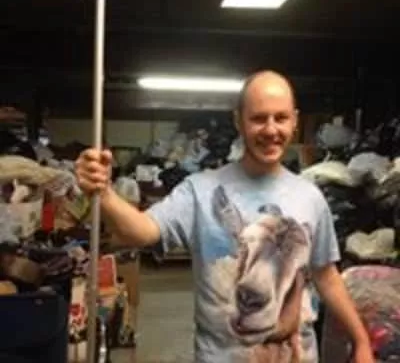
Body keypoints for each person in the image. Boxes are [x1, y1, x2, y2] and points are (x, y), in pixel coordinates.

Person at [75, 71, 374, 363]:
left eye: (280, 118)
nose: (271, 130)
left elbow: (326, 276)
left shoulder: (310, 197)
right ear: (238, 121)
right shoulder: (200, 190)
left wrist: (360, 341)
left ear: (294, 120)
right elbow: (141, 231)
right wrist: (105, 193)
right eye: (258, 118)